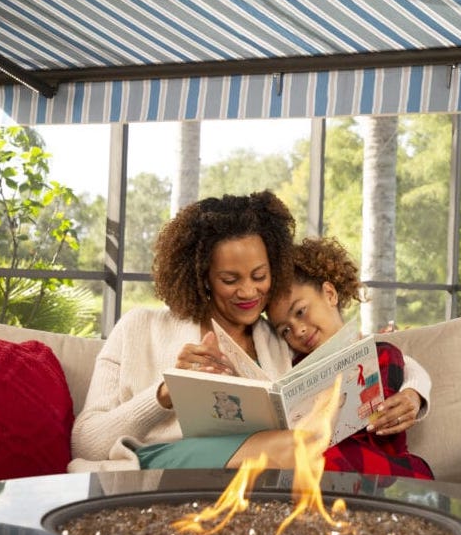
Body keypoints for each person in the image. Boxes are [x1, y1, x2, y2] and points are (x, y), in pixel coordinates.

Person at [69, 191, 430, 473]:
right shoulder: (140, 327)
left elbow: (371, 354)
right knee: (301, 450)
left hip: (257, 474)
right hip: (163, 460)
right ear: (203, 278)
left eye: (259, 276)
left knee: (304, 452)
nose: (248, 292)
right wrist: (165, 392)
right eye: (230, 280)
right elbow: (85, 444)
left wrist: (415, 393)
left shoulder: (277, 337)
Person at [266, 236, 434, 479]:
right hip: (324, 468)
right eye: (285, 330)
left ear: (330, 294)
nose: (298, 330)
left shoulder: (383, 354)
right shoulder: (293, 367)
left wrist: (415, 392)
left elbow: (406, 370)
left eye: (301, 312)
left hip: (381, 463)